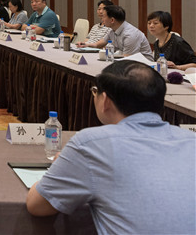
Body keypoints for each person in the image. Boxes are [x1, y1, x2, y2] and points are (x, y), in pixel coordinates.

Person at [26, 61, 196, 234]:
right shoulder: (192, 140)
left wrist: (60, 165)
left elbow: (37, 206)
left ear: (105, 101)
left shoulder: (91, 143)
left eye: (95, 91)